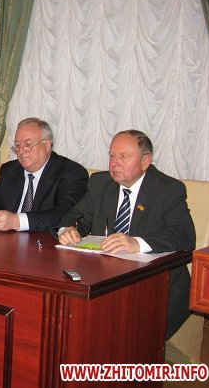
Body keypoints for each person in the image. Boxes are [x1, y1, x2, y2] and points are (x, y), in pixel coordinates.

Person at [57, 130, 195, 339]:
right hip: (105, 280)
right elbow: (76, 218)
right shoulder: (100, 183)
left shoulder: (167, 189)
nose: (114, 163)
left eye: (123, 156)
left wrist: (137, 243)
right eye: (112, 156)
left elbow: (184, 235)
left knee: (122, 336)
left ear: (145, 161)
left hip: (156, 287)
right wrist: (68, 230)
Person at [0, 117, 88, 231]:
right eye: (17, 146)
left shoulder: (71, 173)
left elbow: (64, 215)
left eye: (28, 144)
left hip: (45, 243)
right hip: (7, 242)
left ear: (47, 145)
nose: (21, 151)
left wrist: (16, 221)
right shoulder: (11, 170)